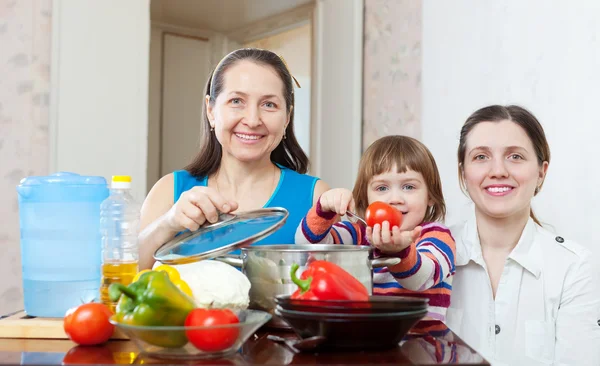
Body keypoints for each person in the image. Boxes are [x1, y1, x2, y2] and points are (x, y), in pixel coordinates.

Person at [138, 48, 328, 270]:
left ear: (287, 117)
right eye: (237, 101)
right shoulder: (169, 190)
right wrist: (168, 223)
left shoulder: (317, 198)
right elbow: (125, 279)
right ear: (211, 111)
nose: (253, 119)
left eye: (269, 104)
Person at [446, 105, 600, 366]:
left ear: (542, 172)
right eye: (481, 156)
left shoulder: (574, 268)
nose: (498, 171)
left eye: (515, 156)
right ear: (463, 172)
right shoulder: (427, 256)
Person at [295, 135, 456, 327]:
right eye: (382, 188)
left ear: (430, 195)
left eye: (409, 186)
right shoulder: (358, 234)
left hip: (423, 348)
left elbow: (419, 280)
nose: (395, 198)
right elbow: (307, 245)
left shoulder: (436, 236)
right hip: (366, 345)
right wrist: (323, 209)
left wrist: (398, 251)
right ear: (366, 196)